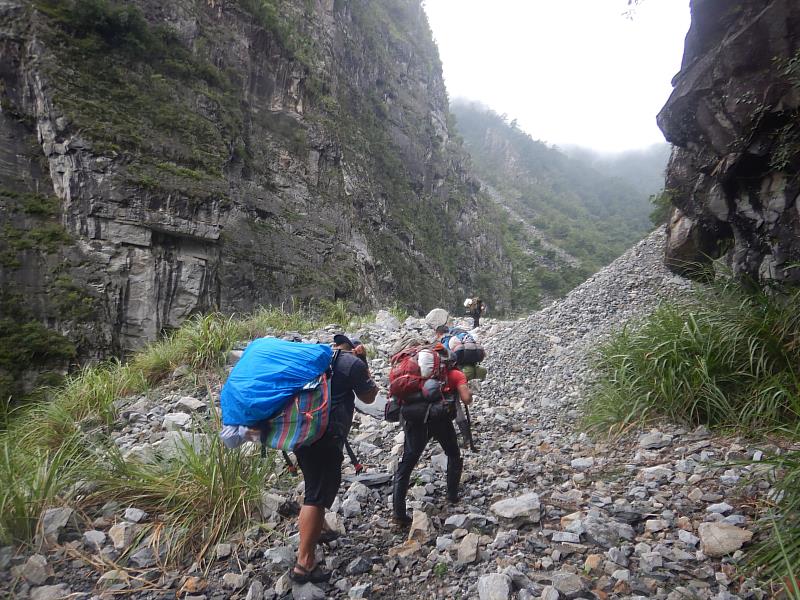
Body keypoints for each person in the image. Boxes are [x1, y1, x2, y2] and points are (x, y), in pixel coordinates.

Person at [290, 333, 378, 584]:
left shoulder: (314, 361)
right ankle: (304, 563)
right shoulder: (353, 364)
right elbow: (369, 397)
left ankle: (318, 529)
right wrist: (365, 362)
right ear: (352, 348)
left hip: (302, 432)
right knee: (316, 495)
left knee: (316, 485)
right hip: (327, 438)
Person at [392, 349, 473, 526]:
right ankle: (451, 496)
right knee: (453, 453)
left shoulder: (415, 376)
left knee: (407, 463)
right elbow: (466, 399)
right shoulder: (455, 374)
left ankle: (398, 513)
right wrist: (467, 391)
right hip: (440, 420)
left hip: (415, 419)